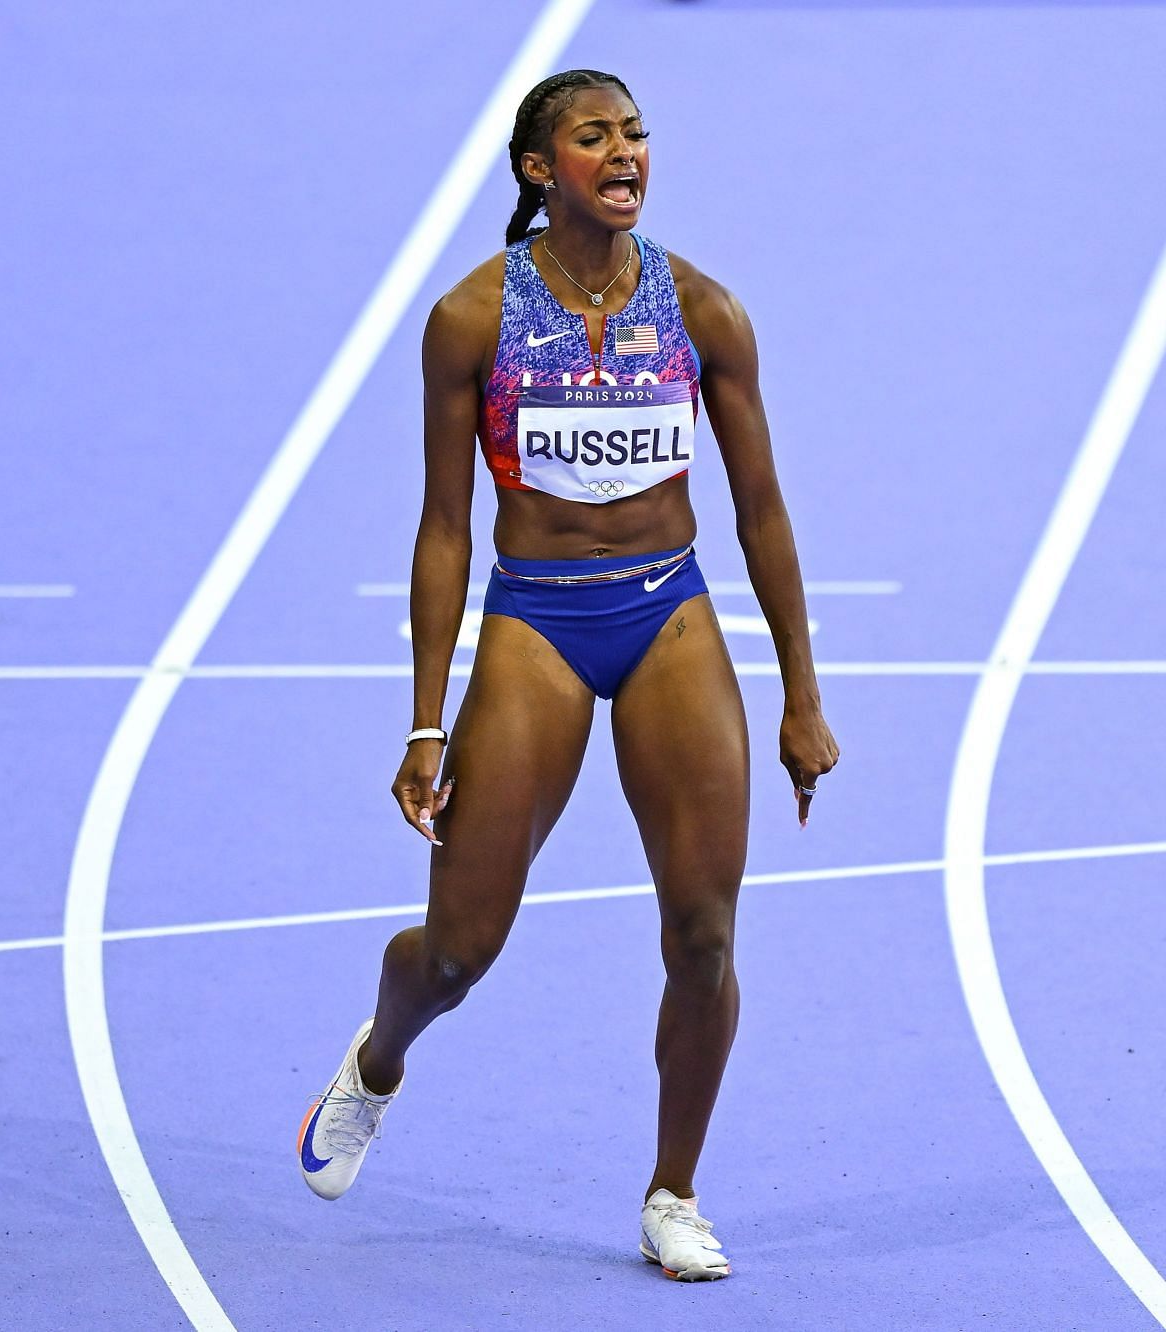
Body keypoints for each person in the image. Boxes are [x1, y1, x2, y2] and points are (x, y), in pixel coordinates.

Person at [295, 68, 838, 1281]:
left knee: (703, 933)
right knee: (456, 952)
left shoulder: (704, 313)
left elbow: (762, 511)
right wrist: (424, 726)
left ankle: (673, 1193)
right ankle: (379, 1061)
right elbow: (443, 528)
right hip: (535, 626)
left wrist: (803, 693)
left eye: (637, 132)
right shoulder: (471, 321)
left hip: (670, 617)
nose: (627, 150)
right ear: (543, 172)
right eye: (596, 136)